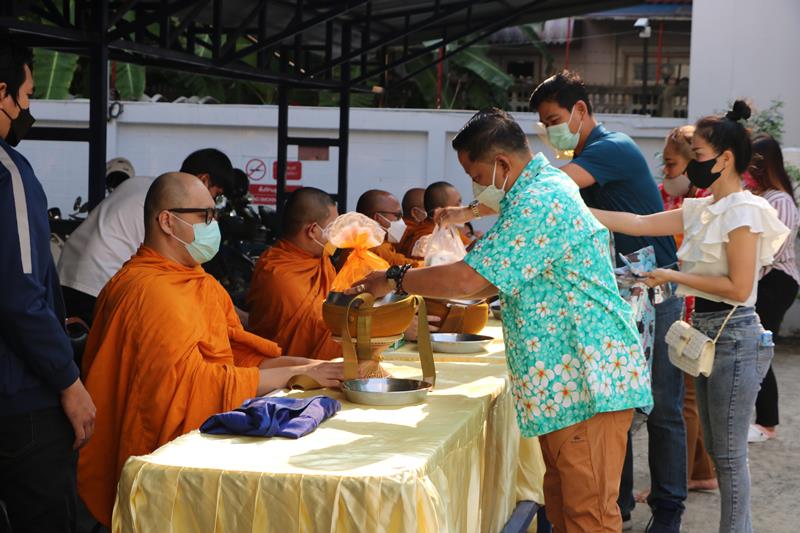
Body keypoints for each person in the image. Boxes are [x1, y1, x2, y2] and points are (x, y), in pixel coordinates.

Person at [349, 109, 652, 533]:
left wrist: (396, 278)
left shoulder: (540, 200)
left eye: (476, 175)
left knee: (589, 517)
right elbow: (487, 280)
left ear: (502, 164)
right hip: (568, 386)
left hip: (587, 384)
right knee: (565, 510)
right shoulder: (534, 193)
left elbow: (471, 281)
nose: (477, 186)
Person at [78, 174, 343, 527]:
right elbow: (185, 386)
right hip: (164, 458)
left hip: (203, 433)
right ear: (167, 221)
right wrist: (295, 374)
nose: (213, 225)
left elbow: (234, 353)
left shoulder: (198, 280)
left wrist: (310, 366)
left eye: (214, 214)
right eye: (205, 216)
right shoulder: (148, 290)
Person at [592, 101, 788, 533]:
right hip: (706, 335)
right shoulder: (705, 207)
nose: (692, 163)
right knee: (721, 454)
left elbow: (739, 288)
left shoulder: (743, 211)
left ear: (725, 158)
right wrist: (574, 207)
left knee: (729, 458)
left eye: (697, 155)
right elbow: (638, 222)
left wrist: (672, 275)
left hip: (735, 335)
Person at [530, 70, 685, 532]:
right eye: (543, 124)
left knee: (662, 408)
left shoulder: (611, 148)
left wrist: (481, 201)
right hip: (615, 299)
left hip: (655, 295)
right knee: (615, 403)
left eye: (553, 120)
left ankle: (669, 511)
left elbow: (546, 192)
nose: (549, 131)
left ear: (580, 110)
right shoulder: (584, 155)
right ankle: (618, 505)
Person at [0, 39, 96, 533]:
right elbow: (20, 295)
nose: (27, 110)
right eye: (27, 96)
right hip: (19, 400)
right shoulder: (9, 172)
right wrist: (68, 381)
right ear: (2, 93)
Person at [58, 148, 235, 324]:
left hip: (66, 274)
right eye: (217, 196)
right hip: (98, 285)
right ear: (204, 180)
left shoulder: (142, 184)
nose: (211, 216)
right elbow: (177, 273)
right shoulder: (169, 204)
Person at [658, 125, 718, 492]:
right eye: (664, 164)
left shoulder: (706, 203)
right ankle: (700, 473)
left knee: (687, 399)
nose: (666, 172)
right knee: (690, 396)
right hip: (681, 305)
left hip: (694, 309)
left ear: (693, 164)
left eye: (672, 164)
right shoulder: (672, 196)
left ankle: (676, 480)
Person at [246, 187, 343, 360]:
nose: (337, 235)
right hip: (290, 369)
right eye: (333, 228)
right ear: (313, 230)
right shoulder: (278, 274)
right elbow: (322, 324)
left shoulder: (321, 260)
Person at [747, 133, 799, 443]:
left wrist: (745, 277)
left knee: (759, 350)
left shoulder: (780, 201)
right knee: (755, 349)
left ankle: (767, 423)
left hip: (775, 281)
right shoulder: (763, 197)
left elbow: (773, 251)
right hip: (763, 280)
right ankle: (763, 421)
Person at [397, 181, 470, 257]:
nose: (462, 208)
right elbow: (433, 263)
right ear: (440, 211)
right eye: (457, 204)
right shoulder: (425, 239)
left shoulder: (447, 230)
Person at [356, 189, 422, 266]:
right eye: (397, 216)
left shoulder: (357, 239)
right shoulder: (374, 247)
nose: (401, 221)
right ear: (377, 218)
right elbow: (405, 264)